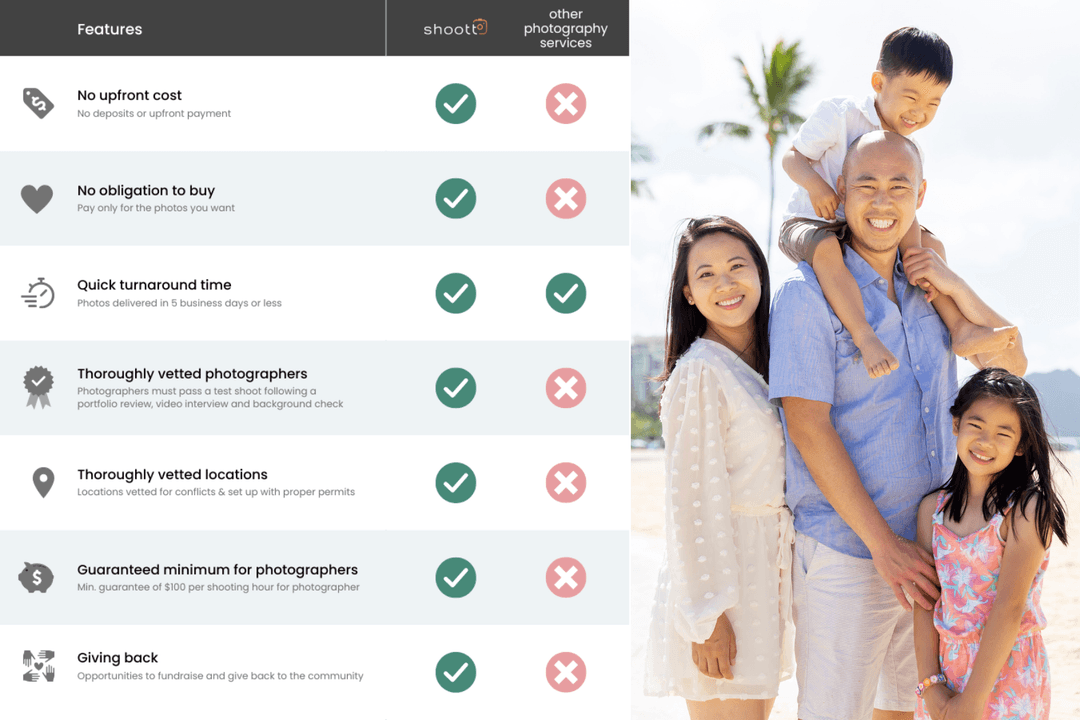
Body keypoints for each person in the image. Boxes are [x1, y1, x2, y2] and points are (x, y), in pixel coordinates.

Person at [768, 131, 1027, 720]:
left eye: (899, 187)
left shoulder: (929, 291)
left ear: (920, 196)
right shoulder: (806, 296)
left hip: (935, 555)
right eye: (866, 185)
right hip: (846, 553)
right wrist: (883, 547)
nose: (882, 202)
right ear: (839, 191)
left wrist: (952, 279)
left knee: (901, 713)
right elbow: (808, 428)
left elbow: (1013, 362)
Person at [779, 27, 1016, 379]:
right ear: (878, 82)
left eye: (933, 104)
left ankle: (959, 327)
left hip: (866, 227)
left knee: (928, 249)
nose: (919, 112)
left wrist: (918, 257)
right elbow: (791, 157)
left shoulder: (909, 150)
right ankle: (865, 335)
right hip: (814, 221)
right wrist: (816, 186)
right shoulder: (839, 114)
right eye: (912, 98)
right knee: (827, 247)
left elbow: (908, 215)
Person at [644, 216, 795, 720]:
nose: (726, 283)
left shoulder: (766, 368)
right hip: (721, 585)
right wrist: (707, 616)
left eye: (737, 266)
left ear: (760, 273)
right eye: (705, 274)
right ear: (688, 293)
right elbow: (689, 501)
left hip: (763, 573)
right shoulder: (700, 371)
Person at [913, 368, 1067, 720]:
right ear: (956, 424)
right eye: (976, 426)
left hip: (1008, 671)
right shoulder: (931, 511)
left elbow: (1009, 607)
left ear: (1022, 445)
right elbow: (923, 602)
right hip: (945, 672)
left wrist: (972, 700)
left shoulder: (1026, 510)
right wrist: (930, 685)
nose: (985, 441)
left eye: (1003, 433)